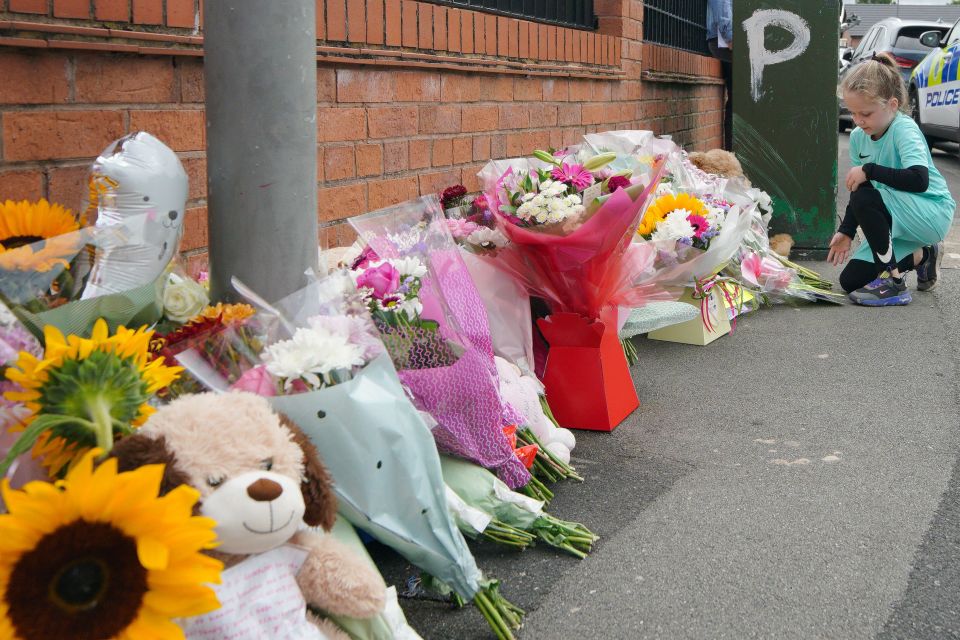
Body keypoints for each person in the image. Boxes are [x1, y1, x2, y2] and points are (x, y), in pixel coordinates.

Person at [827, 53, 955, 306]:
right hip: (894, 215)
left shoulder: (904, 129)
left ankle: (893, 283)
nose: (858, 120)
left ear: (893, 105)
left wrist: (870, 170)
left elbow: (919, 180)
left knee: (865, 195)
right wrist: (846, 231)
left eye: (866, 113)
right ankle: (923, 256)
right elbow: (862, 189)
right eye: (852, 113)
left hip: (930, 212)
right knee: (850, 281)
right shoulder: (858, 137)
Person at [706, 0, 733, 150]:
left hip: (728, 39)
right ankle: (734, 154)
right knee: (739, 100)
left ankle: (735, 154)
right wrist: (730, 36)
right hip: (723, 41)